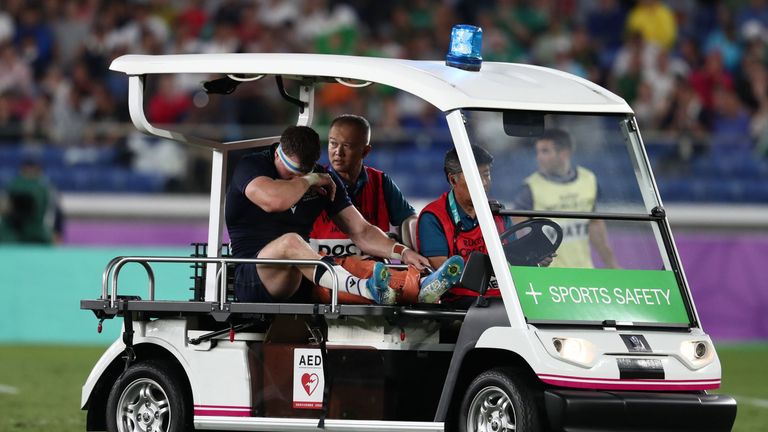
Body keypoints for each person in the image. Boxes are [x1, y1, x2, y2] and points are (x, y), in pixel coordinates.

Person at [225, 125, 460, 305]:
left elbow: (361, 231)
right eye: (292, 172)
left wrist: (403, 251)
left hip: (302, 277)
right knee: (291, 242)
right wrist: (310, 180)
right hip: (253, 275)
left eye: (304, 173)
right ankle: (366, 288)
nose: (296, 179)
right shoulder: (252, 166)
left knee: (355, 264)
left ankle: (417, 288)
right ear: (278, 154)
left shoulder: (325, 180)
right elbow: (275, 201)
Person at [417, 145, 546, 306]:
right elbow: (445, 275)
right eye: (476, 177)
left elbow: (514, 257)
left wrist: (533, 259)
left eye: (487, 175)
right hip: (461, 303)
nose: (484, 183)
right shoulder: (433, 217)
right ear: (452, 179)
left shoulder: (498, 213)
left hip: (506, 299)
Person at [310, 114, 415, 257]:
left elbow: (410, 221)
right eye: (333, 143)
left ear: (365, 151)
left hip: (376, 274)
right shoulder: (314, 182)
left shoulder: (381, 181)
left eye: (347, 146)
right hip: (326, 272)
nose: (338, 152)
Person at [513, 128, 619, 269]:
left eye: (545, 151)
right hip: (550, 277)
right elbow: (519, 232)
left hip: (584, 271)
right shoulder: (530, 188)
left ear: (564, 154)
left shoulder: (588, 179)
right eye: (537, 151)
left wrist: (612, 266)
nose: (539, 157)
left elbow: (595, 226)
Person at [0, 158, 63, 244]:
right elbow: (4, 208)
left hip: (39, 236)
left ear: (39, 172)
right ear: (22, 171)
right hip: (12, 234)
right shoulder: (12, 187)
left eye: (34, 172)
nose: (30, 176)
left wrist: (56, 236)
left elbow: (56, 217)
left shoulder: (47, 191)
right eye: (27, 172)